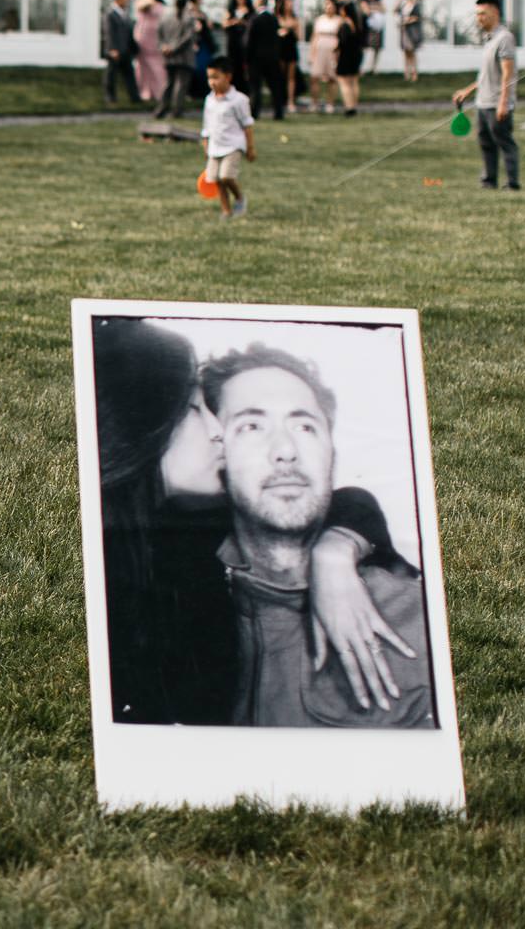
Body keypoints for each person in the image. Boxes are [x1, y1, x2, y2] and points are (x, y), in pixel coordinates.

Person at [92, 319, 408, 726]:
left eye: (305, 427)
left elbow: (333, 500)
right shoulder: (114, 556)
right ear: (140, 418)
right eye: (193, 408)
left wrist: (335, 551)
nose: (216, 432)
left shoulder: (196, 529)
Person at [202, 344, 436, 728]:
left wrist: (337, 549)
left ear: (332, 454)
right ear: (215, 452)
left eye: (304, 426)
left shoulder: (419, 617)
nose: (285, 451)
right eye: (251, 426)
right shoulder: (170, 609)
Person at [452, 0, 521, 191]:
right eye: (477, 14)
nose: (479, 18)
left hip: (497, 102)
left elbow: (508, 72)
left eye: (483, 13)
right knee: (486, 143)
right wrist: (467, 91)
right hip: (482, 102)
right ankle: (488, 181)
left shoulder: (504, 38)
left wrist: (503, 102)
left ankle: (512, 183)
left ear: (495, 12)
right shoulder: (489, 39)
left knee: (505, 142)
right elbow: (486, 76)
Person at [201, 65, 255, 220]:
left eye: (216, 77)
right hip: (214, 146)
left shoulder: (239, 100)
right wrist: (206, 145)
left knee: (226, 176)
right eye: (209, 77)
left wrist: (250, 147)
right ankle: (226, 210)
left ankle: (239, 198)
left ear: (228, 77)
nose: (212, 82)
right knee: (215, 179)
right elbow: (207, 125)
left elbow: (247, 125)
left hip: (233, 145)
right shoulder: (209, 100)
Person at [155, 0, 195, 120]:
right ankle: (177, 110)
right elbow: (187, 38)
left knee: (169, 83)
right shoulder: (188, 18)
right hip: (183, 56)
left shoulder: (165, 18)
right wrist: (174, 48)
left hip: (168, 56)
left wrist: (164, 47)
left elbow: (159, 35)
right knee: (181, 84)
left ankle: (162, 108)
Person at [245, 0, 285, 121]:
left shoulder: (254, 19)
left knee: (255, 86)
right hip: (272, 58)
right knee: (275, 86)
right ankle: (278, 112)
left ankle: (254, 112)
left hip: (256, 58)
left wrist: (246, 57)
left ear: (258, 3)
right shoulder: (274, 19)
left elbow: (248, 41)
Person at [132, 0, 167, 109]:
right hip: (144, 35)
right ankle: (145, 91)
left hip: (156, 37)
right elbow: (144, 6)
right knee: (143, 65)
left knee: (158, 66)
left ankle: (160, 92)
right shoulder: (143, 1)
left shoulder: (159, 4)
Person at [104, 0, 138, 108]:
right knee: (111, 75)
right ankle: (110, 97)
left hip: (125, 50)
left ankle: (135, 98)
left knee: (130, 75)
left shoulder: (125, 15)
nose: (126, 2)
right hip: (115, 50)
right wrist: (112, 49)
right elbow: (109, 33)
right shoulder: (111, 14)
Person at [307, 0, 340, 114]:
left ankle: (330, 103)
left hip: (332, 49)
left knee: (332, 78)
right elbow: (314, 37)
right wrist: (312, 53)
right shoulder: (320, 20)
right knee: (315, 76)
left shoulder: (338, 20)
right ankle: (314, 102)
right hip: (320, 48)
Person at [334, 0, 364, 116]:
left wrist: (336, 52)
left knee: (344, 82)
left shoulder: (344, 25)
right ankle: (354, 105)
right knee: (354, 82)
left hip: (345, 55)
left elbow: (342, 42)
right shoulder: (356, 24)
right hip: (356, 54)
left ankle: (348, 107)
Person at [275, 0, 303, 111]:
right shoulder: (277, 18)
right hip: (280, 49)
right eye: (288, 3)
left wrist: (292, 29)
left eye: (291, 4)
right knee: (280, 75)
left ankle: (291, 101)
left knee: (291, 77)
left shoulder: (295, 19)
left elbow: (299, 37)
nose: (290, 6)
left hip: (291, 49)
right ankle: (280, 99)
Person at [396, 0, 424, 83]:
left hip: (413, 30)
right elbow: (395, 10)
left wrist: (406, 21)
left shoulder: (417, 2)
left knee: (412, 52)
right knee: (405, 52)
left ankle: (414, 73)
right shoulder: (404, 3)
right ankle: (406, 73)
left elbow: (418, 17)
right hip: (404, 30)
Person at [360, 0, 386, 75]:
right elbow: (366, 11)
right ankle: (361, 68)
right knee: (365, 47)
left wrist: (372, 8)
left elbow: (383, 9)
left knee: (377, 48)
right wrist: (375, 8)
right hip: (368, 26)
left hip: (378, 26)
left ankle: (374, 68)